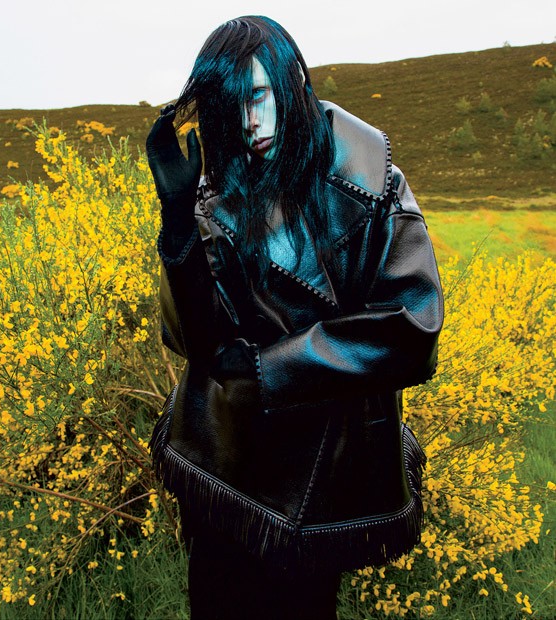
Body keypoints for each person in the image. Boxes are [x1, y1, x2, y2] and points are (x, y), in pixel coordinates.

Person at [146, 15, 443, 620]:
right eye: (231, 105)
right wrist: (177, 227)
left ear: (294, 81)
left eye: (259, 95)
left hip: (322, 468)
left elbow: (413, 328)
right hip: (226, 456)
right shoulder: (216, 185)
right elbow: (195, 341)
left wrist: (272, 369)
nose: (249, 123)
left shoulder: (370, 183)